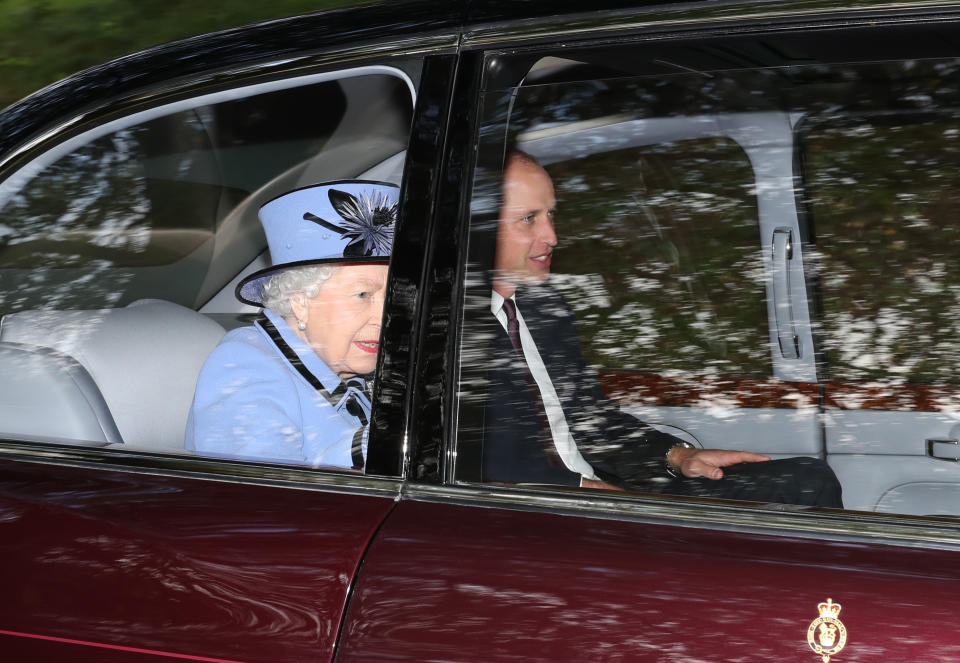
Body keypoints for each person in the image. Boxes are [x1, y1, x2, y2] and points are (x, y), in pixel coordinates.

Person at [479, 151, 842, 506]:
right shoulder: (454, 331)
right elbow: (485, 466)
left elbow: (592, 420)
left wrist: (677, 456)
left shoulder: (544, 309)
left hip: (601, 491)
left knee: (809, 481)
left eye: (550, 215)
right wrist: (604, 499)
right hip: (536, 514)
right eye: (528, 218)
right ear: (478, 227)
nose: (552, 236)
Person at [185, 180, 397, 468]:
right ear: (301, 302)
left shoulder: (362, 367)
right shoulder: (242, 366)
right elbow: (259, 495)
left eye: (394, 295)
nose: (385, 316)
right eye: (363, 295)